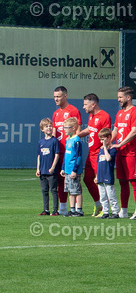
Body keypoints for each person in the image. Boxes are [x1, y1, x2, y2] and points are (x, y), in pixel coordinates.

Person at [52, 86, 83, 215]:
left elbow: (78, 130)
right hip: (60, 152)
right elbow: (54, 132)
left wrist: (74, 144)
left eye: (58, 96)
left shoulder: (73, 110)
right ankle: (64, 207)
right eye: (54, 97)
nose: (56, 99)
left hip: (70, 151)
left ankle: (78, 209)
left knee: (74, 182)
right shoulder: (55, 113)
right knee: (61, 180)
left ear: (65, 96)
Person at [113, 87, 136, 219]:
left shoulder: (135, 112)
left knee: (134, 181)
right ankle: (123, 210)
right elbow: (115, 130)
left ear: (128, 97)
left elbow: (134, 131)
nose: (118, 99)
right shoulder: (119, 113)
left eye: (120, 97)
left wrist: (120, 143)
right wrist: (108, 143)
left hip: (131, 152)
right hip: (120, 152)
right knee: (122, 181)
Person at [82, 93, 111, 217]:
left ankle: (106, 209)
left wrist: (102, 151)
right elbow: (90, 129)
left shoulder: (104, 116)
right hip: (90, 154)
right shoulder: (91, 116)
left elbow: (107, 135)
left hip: (99, 154)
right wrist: (76, 136)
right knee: (87, 179)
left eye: (85, 104)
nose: (83, 107)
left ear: (93, 104)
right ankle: (98, 203)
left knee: (101, 181)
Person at [60, 117, 85, 217]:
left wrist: (75, 170)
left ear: (74, 128)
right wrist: (63, 167)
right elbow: (66, 155)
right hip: (67, 170)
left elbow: (78, 156)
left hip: (73, 171)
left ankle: (79, 210)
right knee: (70, 190)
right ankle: (72, 209)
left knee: (76, 190)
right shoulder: (68, 140)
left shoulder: (77, 140)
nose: (64, 129)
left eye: (67, 127)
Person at [36, 118, 60, 216]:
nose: (49, 128)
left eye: (50, 126)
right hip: (43, 170)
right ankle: (46, 210)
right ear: (42, 129)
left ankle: (55, 210)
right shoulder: (41, 142)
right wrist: (38, 169)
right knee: (44, 191)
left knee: (53, 190)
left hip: (51, 171)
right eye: (47, 126)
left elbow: (57, 154)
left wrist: (53, 167)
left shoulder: (54, 141)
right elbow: (39, 156)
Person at [95, 128, 119, 218]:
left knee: (111, 195)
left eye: (103, 139)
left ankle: (115, 212)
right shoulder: (101, 150)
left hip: (108, 175)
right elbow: (99, 163)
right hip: (100, 175)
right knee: (102, 196)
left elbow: (108, 158)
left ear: (109, 137)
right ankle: (105, 212)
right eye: (100, 139)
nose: (102, 141)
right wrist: (97, 176)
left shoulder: (112, 149)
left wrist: (105, 147)